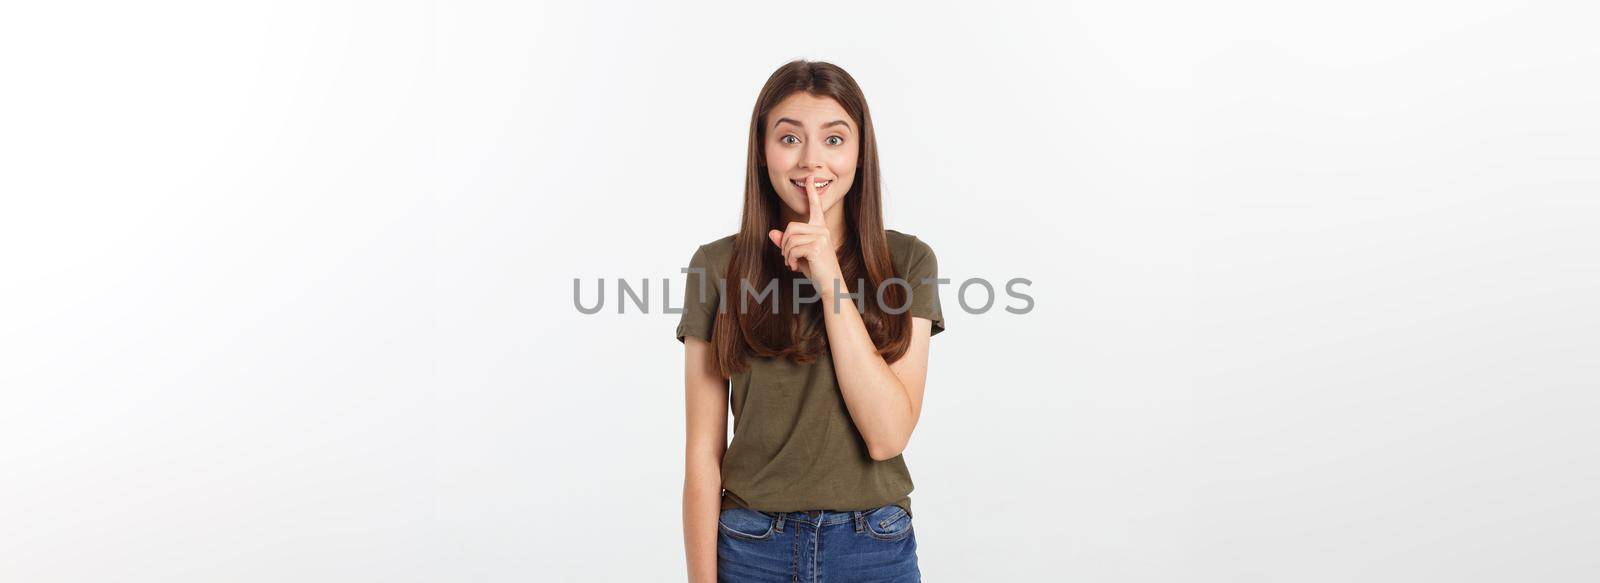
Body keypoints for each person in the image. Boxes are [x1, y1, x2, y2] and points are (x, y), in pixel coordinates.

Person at [677, 59, 944, 583]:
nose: (812, 161)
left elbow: (888, 436)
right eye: (790, 138)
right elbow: (702, 454)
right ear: (762, 151)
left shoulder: (909, 262)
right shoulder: (716, 266)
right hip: (751, 546)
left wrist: (830, 281)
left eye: (835, 139)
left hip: (874, 547)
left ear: (860, 153)